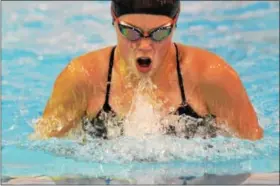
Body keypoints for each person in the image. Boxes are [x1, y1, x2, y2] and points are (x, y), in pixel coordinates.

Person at [32, 0, 263, 141]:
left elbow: (255, 150)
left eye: (159, 33)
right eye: (131, 32)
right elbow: (41, 151)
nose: (144, 45)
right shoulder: (81, 77)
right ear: (114, 19)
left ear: (175, 22)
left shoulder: (212, 76)